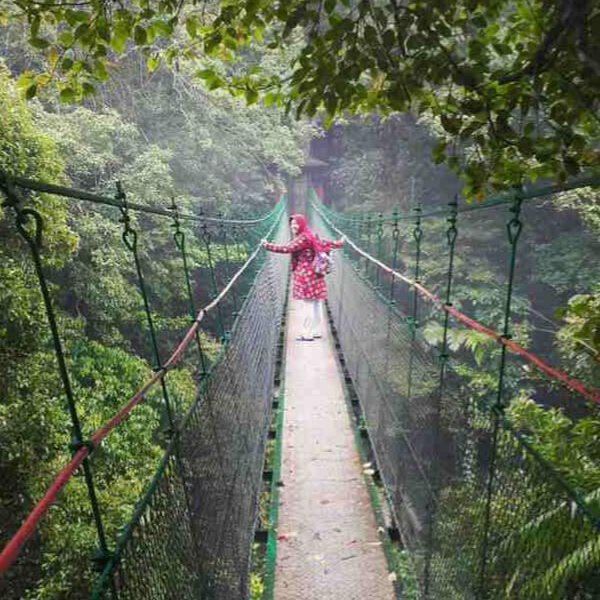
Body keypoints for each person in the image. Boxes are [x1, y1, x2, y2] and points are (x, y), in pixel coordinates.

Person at [262, 214, 344, 341]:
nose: (293, 226)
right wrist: (338, 243)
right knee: (316, 304)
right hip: (316, 275)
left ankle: (307, 334)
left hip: (306, 277)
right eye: (292, 224)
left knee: (308, 306)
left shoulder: (302, 238)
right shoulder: (310, 234)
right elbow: (324, 242)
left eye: (296, 223)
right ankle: (315, 331)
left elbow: (287, 248)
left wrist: (268, 245)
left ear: (302, 224)